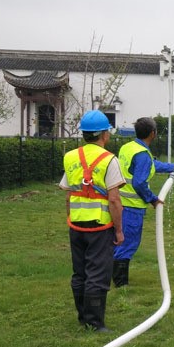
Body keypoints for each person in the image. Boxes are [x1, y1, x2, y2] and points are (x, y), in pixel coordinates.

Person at [59, 110, 124, 332]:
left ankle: (82, 318)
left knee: (80, 272)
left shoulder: (70, 157)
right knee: (98, 273)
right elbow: (114, 200)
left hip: (76, 224)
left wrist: (70, 217)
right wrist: (119, 230)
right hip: (99, 225)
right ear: (104, 134)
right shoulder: (109, 160)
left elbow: (68, 194)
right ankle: (95, 324)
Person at [112, 117, 174, 287]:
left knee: (117, 241)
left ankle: (109, 276)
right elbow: (139, 182)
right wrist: (152, 198)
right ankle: (120, 284)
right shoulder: (142, 154)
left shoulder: (128, 147)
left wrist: (173, 167)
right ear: (153, 133)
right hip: (132, 208)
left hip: (117, 204)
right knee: (128, 243)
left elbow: (150, 165)